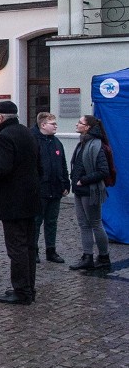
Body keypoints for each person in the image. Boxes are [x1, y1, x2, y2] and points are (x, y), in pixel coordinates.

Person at [0, 101, 41, 306]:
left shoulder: (5, 137)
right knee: (29, 246)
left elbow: (2, 168)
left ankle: (21, 291)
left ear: (0, 117)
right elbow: (38, 165)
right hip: (31, 198)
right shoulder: (27, 133)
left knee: (16, 247)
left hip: (12, 200)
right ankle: (28, 287)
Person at [68, 115, 112, 273]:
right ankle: (87, 257)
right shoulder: (83, 142)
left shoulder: (96, 145)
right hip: (79, 190)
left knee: (95, 223)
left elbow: (103, 171)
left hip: (90, 190)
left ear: (87, 127)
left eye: (80, 122)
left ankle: (103, 257)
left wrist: (83, 180)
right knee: (83, 224)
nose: (77, 124)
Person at [31, 112, 70, 264]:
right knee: (36, 222)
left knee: (52, 221)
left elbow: (63, 164)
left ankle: (51, 250)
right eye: (52, 123)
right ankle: (33, 250)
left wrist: (66, 183)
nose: (55, 126)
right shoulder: (34, 141)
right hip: (40, 189)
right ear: (43, 125)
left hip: (56, 188)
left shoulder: (57, 142)